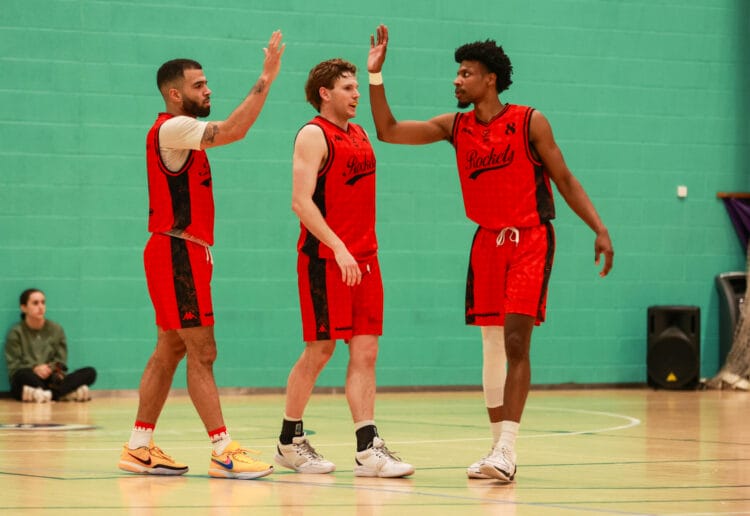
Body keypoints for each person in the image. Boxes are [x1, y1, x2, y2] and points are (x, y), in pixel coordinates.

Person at [367, 25, 614, 482]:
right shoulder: (454, 126)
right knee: (490, 344)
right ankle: (496, 449)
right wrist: (376, 76)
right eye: (457, 74)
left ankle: (508, 447)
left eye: (465, 73)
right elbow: (388, 131)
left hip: (529, 239)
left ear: (490, 80)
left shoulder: (529, 122)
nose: (457, 81)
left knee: (517, 340)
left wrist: (598, 228)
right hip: (486, 241)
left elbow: (565, 179)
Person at [117, 31, 285, 480]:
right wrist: (266, 78)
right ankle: (222, 450)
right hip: (176, 251)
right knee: (203, 350)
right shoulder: (173, 127)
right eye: (198, 85)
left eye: (207, 83)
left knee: (170, 348)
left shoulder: (179, 133)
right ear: (175, 94)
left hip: (178, 251)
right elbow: (234, 130)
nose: (208, 90)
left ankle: (138, 445)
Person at [273, 58, 414, 478]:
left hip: (366, 259)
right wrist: (337, 247)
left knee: (366, 351)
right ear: (325, 93)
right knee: (321, 350)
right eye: (348, 88)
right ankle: (289, 441)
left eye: (356, 87)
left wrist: (357, 250)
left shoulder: (360, 133)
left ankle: (368, 448)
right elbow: (301, 202)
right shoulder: (313, 135)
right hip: (326, 259)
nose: (356, 95)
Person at [4, 288, 97, 403]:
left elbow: (61, 362)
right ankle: (63, 394)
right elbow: (14, 366)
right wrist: (35, 368)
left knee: (90, 372)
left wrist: (50, 368)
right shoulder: (16, 332)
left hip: (52, 379)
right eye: (35, 303)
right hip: (30, 377)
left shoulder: (56, 329)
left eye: (43, 302)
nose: (41, 307)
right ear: (23, 307)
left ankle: (47, 394)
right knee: (20, 377)